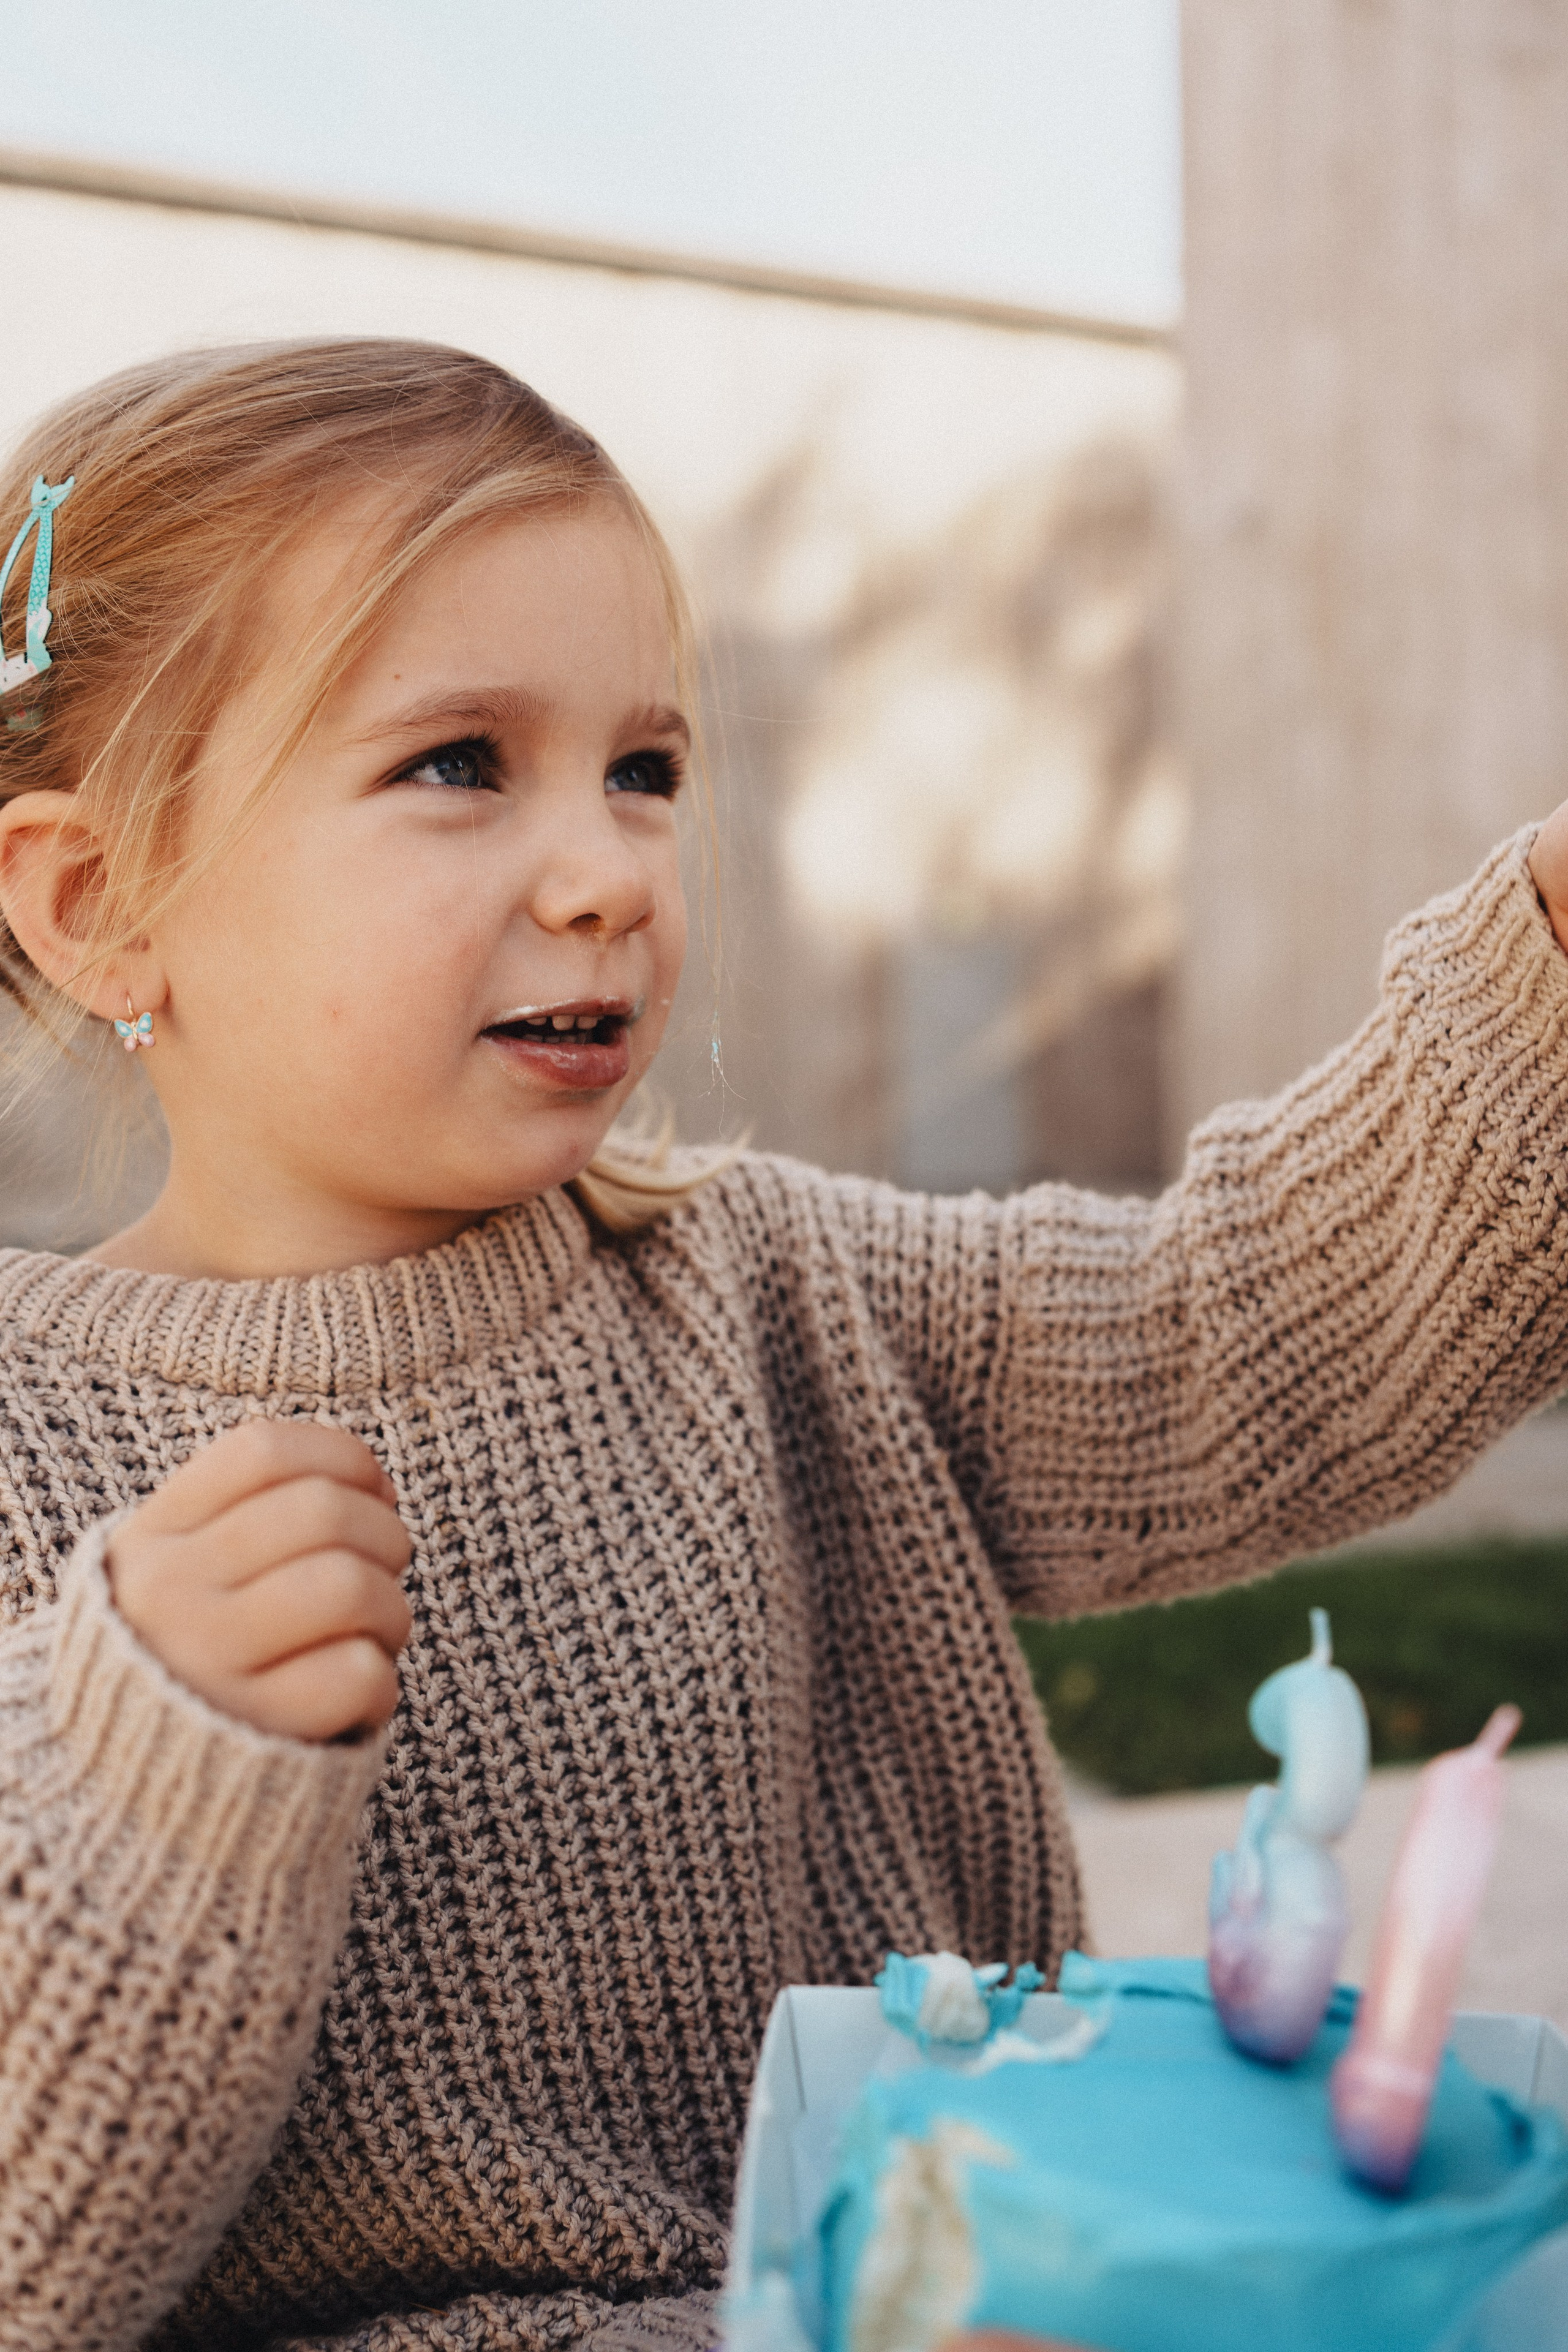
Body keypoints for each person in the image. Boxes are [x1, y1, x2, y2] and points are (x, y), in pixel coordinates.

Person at [1, 337, 1567, 2352]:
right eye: (458, 763)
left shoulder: (759, 1285)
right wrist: (140, 1743)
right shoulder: (33, 1452)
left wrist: (1543, 962)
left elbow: (1231, 1334)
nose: (608, 874)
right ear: (102, 897)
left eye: (643, 769)